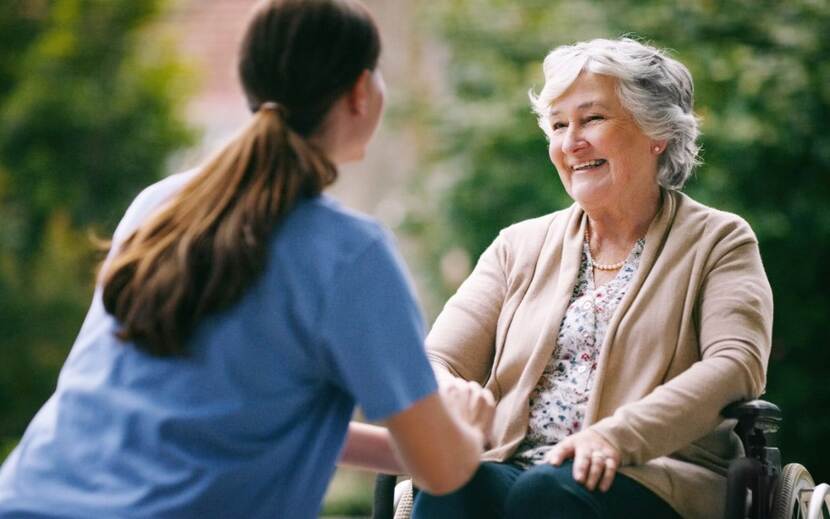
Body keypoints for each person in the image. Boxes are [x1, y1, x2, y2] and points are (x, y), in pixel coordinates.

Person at [0, 1, 493, 518]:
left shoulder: (159, 205)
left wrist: (418, 443)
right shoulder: (351, 255)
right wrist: (467, 433)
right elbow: (443, 472)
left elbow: (235, 418)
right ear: (359, 92)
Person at [412, 37, 773, 519]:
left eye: (592, 119)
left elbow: (736, 364)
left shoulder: (719, 241)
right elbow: (438, 358)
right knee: (451, 485)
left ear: (656, 132)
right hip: (515, 465)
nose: (570, 142)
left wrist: (617, 437)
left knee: (547, 494)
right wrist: (449, 391)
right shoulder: (517, 245)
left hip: (652, 473)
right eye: (559, 126)